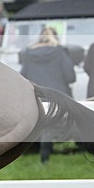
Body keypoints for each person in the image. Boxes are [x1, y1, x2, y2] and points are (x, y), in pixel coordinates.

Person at [19, 27, 76, 163]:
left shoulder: (28, 54)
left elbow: (23, 76)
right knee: (55, 125)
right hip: (57, 93)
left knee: (42, 126)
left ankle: (40, 155)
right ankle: (45, 157)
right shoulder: (60, 52)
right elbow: (70, 77)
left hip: (36, 95)